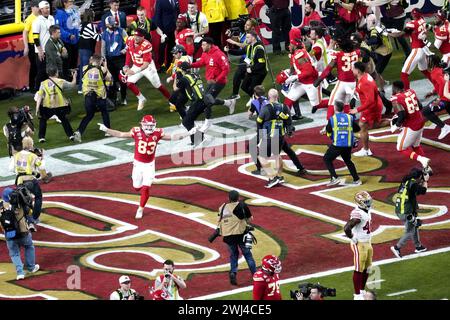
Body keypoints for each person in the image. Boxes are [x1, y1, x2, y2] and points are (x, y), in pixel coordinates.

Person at [97, 115, 195, 219]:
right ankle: (148, 181)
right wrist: (107, 129)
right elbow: (121, 134)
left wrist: (188, 133)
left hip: (149, 165)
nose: (149, 128)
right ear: (143, 125)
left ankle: (140, 208)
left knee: (145, 188)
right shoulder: (136, 131)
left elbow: (173, 137)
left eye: (151, 126)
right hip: (138, 164)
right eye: (147, 126)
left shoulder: (157, 133)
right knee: (136, 188)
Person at [120, 28, 171, 111]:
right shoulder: (130, 40)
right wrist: (126, 65)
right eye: (135, 35)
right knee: (129, 83)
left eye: (138, 36)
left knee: (158, 86)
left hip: (148, 68)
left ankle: (171, 100)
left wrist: (133, 71)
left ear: (143, 37)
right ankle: (141, 99)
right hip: (136, 65)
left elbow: (146, 64)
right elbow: (129, 53)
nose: (136, 38)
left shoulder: (147, 45)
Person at [188, 37, 231, 132]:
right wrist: (190, 65)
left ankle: (207, 122)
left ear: (209, 45)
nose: (201, 47)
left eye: (203, 45)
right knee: (206, 99)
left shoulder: (219, 54)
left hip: (219, 82)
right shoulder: (205, 53)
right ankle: (228, 103)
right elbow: (201, 62)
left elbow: (226, 69)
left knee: (207, 100)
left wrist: (216, 79)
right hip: (211, 81)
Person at [9, 136, 52, 227]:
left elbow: (11, 169)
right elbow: (41, 167)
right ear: (31, 145)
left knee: (22, 200)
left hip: (20, 181)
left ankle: (23, 220)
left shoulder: (16, 155)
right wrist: (42, 158)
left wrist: (20, 171)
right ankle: (34, 218)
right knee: (38, 196)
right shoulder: (33, 156)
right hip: (31, 180)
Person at [350, 62, 390, 157]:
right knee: (375, 124)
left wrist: (358, 109)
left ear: (358, 70)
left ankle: (366, 150)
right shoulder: (364, 76)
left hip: (371, 107)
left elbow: (370, 101)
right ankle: (396, 122)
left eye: (353, 68)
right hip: (374, 105)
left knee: (362, 125)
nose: (352, 70)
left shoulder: (365, 82)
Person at [217, 190, 257, 285]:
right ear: (238, 197)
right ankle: (255, 275)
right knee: (248, 255)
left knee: (233, 255)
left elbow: (219, 220)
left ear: (229, 198)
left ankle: (233, 273)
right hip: (240, 235)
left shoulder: (222, 207)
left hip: (228, 236)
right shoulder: (241, 206)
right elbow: (250, 218)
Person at [314, 39, 360, 120]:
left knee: (332, 103)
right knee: (346, 104)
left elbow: (328, 69)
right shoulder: (358, 53)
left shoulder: (338, 55)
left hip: (342, 83)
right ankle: (347, 123)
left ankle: (330, 126)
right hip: (352, 83)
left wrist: (319, 80)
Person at [390, 80, 431, 170]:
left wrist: (396, 126)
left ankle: (422, 160)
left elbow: (402, 114)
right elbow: (420, 106)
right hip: (420, 121)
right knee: (416, 146)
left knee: (400, 147)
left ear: (395, 88)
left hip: (412, 126)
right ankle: (427, 168)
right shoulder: (411, 91)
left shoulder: (395, 98)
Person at [257, 89, 293, 188]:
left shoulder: (266, 108)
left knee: (261, 156)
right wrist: (289, 132)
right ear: (277, 96)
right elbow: (289, 122)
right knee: (277, 155)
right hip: (280, 135)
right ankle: (279, 176)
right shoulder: (285, 107)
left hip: (269, 136)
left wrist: (260, 136)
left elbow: (259, 121)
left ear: (269, 97)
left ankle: (272, 178)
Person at [0, 188, 40, 281]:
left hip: (9, 234)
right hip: (23, 232)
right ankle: (31, 267)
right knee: (29, 246)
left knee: (14, 254)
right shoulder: (20, 204)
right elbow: (30, 209)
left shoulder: (1, 206)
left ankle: (20, 273)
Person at [390, 167, 429, 258]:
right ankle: (397, 247)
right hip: (406, 212)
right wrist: (426, 181)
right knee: (410, 231)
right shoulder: (413, 184)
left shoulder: (405, 182)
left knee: (414, 226)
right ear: (418, 176)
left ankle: (418, 246)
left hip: (400, 210)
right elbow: (423, 191)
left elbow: (412, 192)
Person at [388, 8, 431, 90]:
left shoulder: (412, 24)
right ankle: (437, 86)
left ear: (413, 15)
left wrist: (388, 33)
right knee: (424, 71)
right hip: (423, 49)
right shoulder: (422, 20)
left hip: (417, 50)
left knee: (404, 74)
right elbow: (409, 33)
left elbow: (399, 35)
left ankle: (407, 93)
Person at [73, 55, 112, 143]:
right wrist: (105, 65)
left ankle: (79, 131)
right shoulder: (102, 69)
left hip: (88, 96)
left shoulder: (84, 68)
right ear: (100, 62)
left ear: (91, 60)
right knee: (104, 112)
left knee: (89, 115)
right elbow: (109, 77)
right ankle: (108, 131)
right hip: (100, 96)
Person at [323, 100, 361, 186]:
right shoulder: (349, 117)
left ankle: (334, 177)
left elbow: (328, 130)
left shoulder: (332, 119)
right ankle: (357, 179)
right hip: (348, 144)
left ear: (335, 108)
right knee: (348, 160)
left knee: (327, 159)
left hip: (338, 144)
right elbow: (357, 129)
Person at [344, 191, 373, 300]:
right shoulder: (358, 213)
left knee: (368, 267)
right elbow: (347, 228)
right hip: (359, 243)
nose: (369, 202)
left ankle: (361, 290)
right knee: (359, 268)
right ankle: (357, 295)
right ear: (360, 203)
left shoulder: (366, 210)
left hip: (367, 242)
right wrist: (352, 238)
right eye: (366, 201)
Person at [35, 65, 77, 143]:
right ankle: (71, 135)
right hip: (60, 105)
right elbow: (72, 85)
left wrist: (37, 108)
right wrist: (74, 76)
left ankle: (41, 137)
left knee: (43, 120)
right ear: (56, 73)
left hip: (48, 106)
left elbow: (40, 96)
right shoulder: (61, 81)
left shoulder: (43, 83)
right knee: (64, 120)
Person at [225, 31, 267, 100]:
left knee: (253, 88)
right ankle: (256, 99)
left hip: (260, 72)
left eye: (247, 37)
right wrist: (229, 50)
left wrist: (251, 69)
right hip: (252, 71)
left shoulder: (259, 48)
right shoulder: (249, 47)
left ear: (253, 38)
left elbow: (261, 64)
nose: (246, 39)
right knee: (244, 87)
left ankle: (258, 100)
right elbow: (240, 52)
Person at [225, 18, 259, 100]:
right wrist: (230, 36)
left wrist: (232, 42)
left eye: (247, 25)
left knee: (238, 76)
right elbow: (239, 39)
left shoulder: (252, 36)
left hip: (249, 59)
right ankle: (254, 93)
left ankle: (236, 94)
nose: (245, 26)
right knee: (244, 77)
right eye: (245, 24)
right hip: (244, 58)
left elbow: (244, 45)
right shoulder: (244, 33)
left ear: (252, 27)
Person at [101, 16, 128, 106]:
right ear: (107, 24)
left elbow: (129, 43)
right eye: (111, 24)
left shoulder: (121, 31)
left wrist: (125, 50)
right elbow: (103, 49)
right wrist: (104, 61)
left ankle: (123, 98)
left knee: (122, 80)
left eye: (114, 23)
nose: (113, 25)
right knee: (111, 80)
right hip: (110, 60)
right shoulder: (104, 34)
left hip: (120, 59)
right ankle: (113, 98)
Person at [422, 57, 450, 140]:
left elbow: (443, 83)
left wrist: (440, 98)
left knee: (426, 111)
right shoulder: (440, 69)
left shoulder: (434, 72)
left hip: (445, 99)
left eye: (427, 60)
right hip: (447, 98)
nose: (426, 62)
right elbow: (439, 83)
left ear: (431, 62)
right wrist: (432, 92)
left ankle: (444, 127)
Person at [54, 0, 81, 79]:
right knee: (66, 62)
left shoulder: (74, 11)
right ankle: (66, 79)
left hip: (75, 41)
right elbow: (59, 28)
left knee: (74, 60)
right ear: (64, 3)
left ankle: (73, 78)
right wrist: (68, 35)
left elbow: (77, 23)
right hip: (66, 42)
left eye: (72, 1)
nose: (72, 3)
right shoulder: (60, 13)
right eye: (70, 2)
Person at [32, 1, 55, 90]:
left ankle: (48, 90)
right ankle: (38, 91)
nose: (47, 10)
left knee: (51, 71)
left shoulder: (52, 18)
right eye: (46, 8)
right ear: (41, 9)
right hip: (42, 51)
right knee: (41, 72)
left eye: (48, 8)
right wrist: (40, 51)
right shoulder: (37, 21)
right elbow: (35, 37)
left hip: (51, 49)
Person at [78, 8, 101, 93]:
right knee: (86, 68)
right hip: (87, 49)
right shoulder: (90, 25)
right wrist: (102, 32)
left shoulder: (81, 24)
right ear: (91, 16)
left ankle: (81, 87)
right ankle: (83, 87)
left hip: (81, 48)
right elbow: (97, 38)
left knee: (82, 68)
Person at [153, 0, 179, 71]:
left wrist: (177, 25)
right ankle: (160, 65)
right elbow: (157, 15)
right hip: (164, 29)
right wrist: (161, 32)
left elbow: (177, 12)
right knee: (162, 47)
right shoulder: (160, 1)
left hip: (173, 28)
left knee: (171, 46)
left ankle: (169, 64)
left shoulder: (175, 0)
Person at [23, 0, 41, 93]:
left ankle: (38, 85)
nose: (38, 8)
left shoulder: (41, 17)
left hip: (39, 44)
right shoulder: (30, 19)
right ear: (32, 8)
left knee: (40, 66)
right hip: (32, 45)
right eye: (37, 6)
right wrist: (26, 46)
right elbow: (25, 33)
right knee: (34, 66)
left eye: (39, 6)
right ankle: (31, 86)